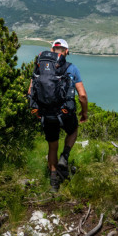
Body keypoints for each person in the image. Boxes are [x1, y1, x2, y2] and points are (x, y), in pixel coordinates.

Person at [28, 39, 88, 192]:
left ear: (52, 50)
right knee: (73, 131)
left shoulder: (40, 67)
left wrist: (35, 111)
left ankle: (54, 182)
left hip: (47, 114)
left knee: (52, 147)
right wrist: (84, 112)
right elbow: (82, 95)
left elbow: (30, 92)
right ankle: (65, 157)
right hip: (66, 112)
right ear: (66, 51)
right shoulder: (71, 68)